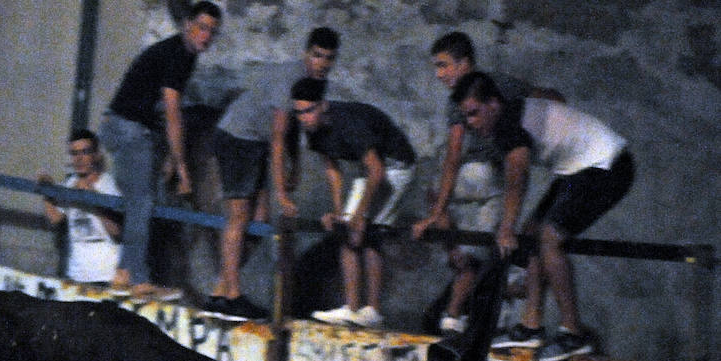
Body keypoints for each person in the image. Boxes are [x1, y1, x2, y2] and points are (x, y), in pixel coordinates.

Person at [451, 72, 634, 361]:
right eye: (466, 116)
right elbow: (553, 98)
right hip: (579, 169)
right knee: (531, 235)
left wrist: (506, 228)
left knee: (549, 239)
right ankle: (531, 326)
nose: (471, 123)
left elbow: (518, 177)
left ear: (493, 104)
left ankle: (573, 333)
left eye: (474, 113)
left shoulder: (508, 125)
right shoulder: (511, 113)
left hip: (607, 166)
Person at [412, 31, 563, 334]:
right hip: (490, 178)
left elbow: (453, 158)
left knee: (475, 238)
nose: (439, 74)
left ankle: (470, 286)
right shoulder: (495, 84)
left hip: (486, 174)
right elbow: (553, 97)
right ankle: (466, 289)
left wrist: (437, 213)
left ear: (464, 63)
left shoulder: (472, 95)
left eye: (443, 65)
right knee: (479, 245)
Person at [202, 27, 341, 321]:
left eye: (328, 58)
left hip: (257, 142)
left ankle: (220, 289)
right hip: (238, 136)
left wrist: (296, 167)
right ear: (306, 53)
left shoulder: (318, 83)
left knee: (260, 219)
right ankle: (231, 296)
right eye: (317, 56)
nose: (322, 64)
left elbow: (293, 128)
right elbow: (278, 136)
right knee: (239, 216)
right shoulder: (290, 78)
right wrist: (281, 195)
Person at [99, 1, 222, 298]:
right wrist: (181, 165)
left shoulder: (183, 54)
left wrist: (168, 154)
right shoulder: (179, 54)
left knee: (142, 201)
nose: (206, 36)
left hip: (129, 128)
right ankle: (138, 279)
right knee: (141, 202)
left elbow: (161, 110)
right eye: (202, 27)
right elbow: (172, 111)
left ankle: (123, 273)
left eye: (212, 31)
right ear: (188, 24)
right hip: (128, 128)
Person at [291, 78, 417, 328]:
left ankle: (372, 311)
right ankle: (352, 308)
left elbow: (378, 171)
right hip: (370, 169)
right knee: (347, 231)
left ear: (323, 105)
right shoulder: (311, 129)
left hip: (396, 165)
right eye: (299, 112)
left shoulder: (348, 123)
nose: (304, 118)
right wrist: (340, 213)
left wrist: (359, 216)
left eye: (308, 111)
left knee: (368, 232)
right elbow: (333, 171)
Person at [38, 129, 123, 285]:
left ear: (96, 155)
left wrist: (93, 197)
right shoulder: (70, 183)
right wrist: (47, 192)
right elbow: (56, 219)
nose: (79, 159)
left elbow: (116, 232)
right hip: (76, 275)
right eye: (74, 153)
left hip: (105, 276)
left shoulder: (109, 186)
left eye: (85, 152)